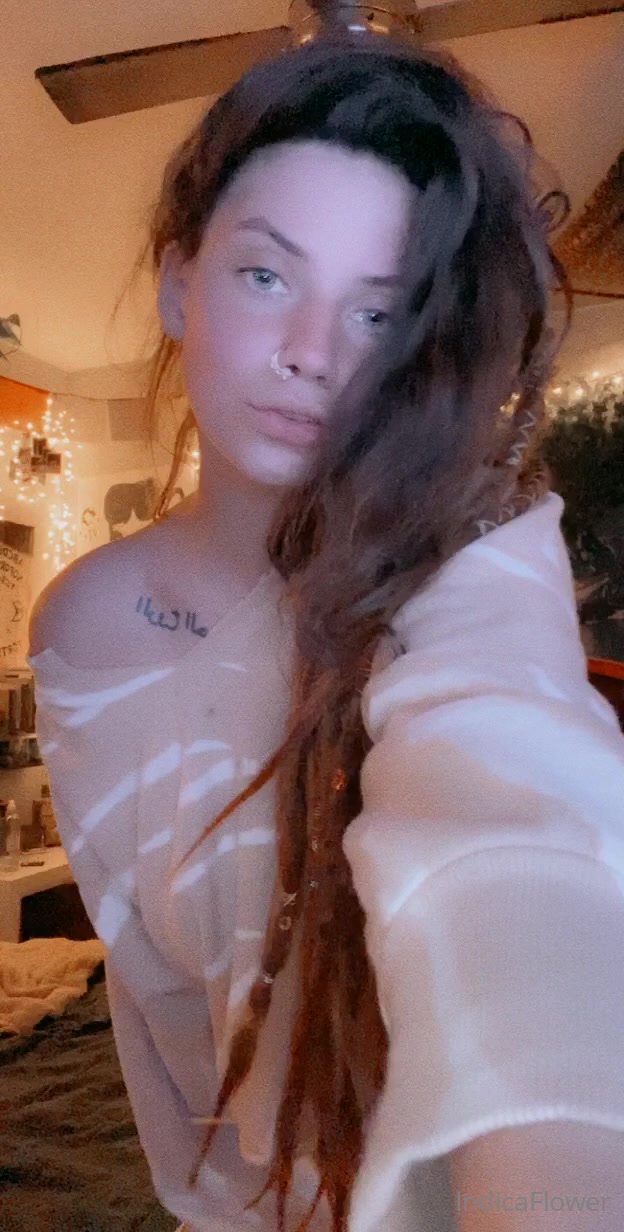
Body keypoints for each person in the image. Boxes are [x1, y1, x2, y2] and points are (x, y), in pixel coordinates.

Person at [28, 28, 624, 1232]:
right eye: (267, 276)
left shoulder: (475, 565)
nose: (313, 353)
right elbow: (170, 1005)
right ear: (178, 280)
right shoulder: (86, 623)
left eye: (379, 310)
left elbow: (521, 831)